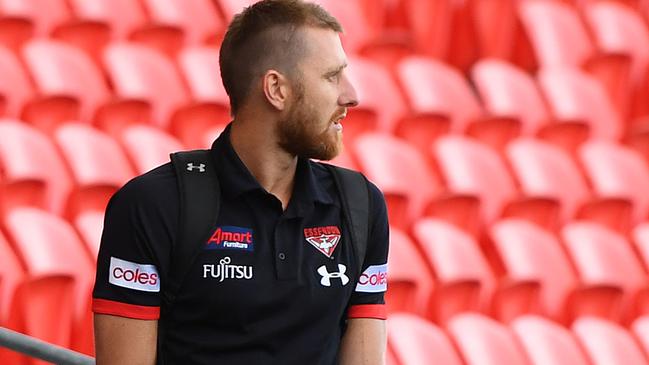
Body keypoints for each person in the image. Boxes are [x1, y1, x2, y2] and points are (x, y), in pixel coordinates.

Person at [91, 0, 390, 364]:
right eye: (332, 76)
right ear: (276, 89)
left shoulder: (361, 206)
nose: (352, 95)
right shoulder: (152, 205)